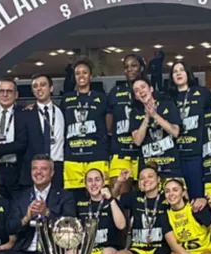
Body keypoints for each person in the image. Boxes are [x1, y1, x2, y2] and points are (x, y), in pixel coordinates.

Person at [61, 59, 110, 192]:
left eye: (85, 72)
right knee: (74, 197)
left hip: (97, 156)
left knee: (100, 194)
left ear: (91, 76)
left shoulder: (101, 98)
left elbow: (108, 126)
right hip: (72, 157)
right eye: (77, 73)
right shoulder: (66, 99)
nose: (81, 76)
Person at [11, 74, 65, 190]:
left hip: (58, 168)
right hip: (35, 170)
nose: (39, 88)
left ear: (51, 88)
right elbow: (21, 144)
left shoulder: (62, 111)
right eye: (35, 86)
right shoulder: (26, 114)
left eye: (43, 85)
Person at [170, 61, 211, 199]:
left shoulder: (202, 93)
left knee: (197, 197)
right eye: (175, 71)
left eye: (181, 70)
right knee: (178, 197)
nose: (178, 73)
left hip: (196, 154)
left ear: (188, 73)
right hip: (175, 155)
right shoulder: (169, 97)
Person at [130, 78, 182, 182]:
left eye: (143, 87)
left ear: (151, 89)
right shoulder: (135, 113)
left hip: (170, 167)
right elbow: (137, 141)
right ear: (135, 96)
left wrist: (155, 115)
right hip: (148, 169)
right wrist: (147, 117)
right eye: (136, 90)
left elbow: (175, 132)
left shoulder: (168, 105)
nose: (141, 91)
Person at [107, 55, 146, 195]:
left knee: (144, 199)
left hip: (143, 153)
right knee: (118, 197)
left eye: (133, 65)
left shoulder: (150, 92)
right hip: (121, 153)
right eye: (126, 67)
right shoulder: (115, 92)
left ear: (141, 68)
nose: (129, 69)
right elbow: (109, 127)